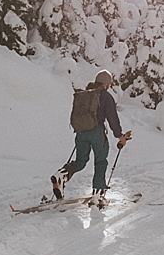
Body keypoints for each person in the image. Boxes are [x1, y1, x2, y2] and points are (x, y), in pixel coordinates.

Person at [52, 70, 131, 204]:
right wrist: (119, 136)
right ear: (106, 83)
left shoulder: (85, 94)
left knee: (80, 161)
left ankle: (61, 176)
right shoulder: (105, 96)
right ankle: (98, 196)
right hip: (96, 132)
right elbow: (112, 118)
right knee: (100, 161)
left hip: (80, 132)